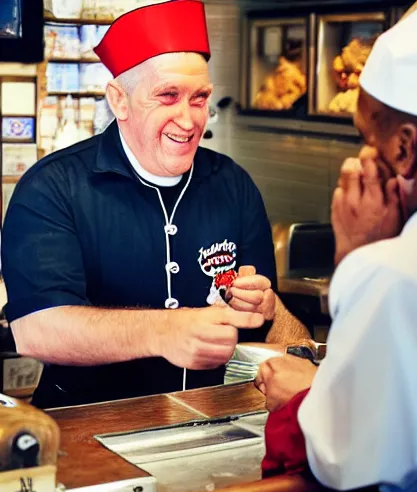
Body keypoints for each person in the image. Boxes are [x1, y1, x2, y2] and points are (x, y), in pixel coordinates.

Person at [256, 1, 417, 492]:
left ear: (404, 149)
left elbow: (342, 459)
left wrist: (358, 261)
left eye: (363, 135)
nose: (358, 156)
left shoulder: (402, 272)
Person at [1, 0, 310, 409]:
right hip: (88, 427)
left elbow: (273, 330)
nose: (188, 120)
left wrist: (268, 308)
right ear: (120, 100)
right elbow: (37, 329)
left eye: (199, 99)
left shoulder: (232, 184)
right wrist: (164, 331)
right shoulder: (53, 187)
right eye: (168, 96)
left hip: (214, 422)